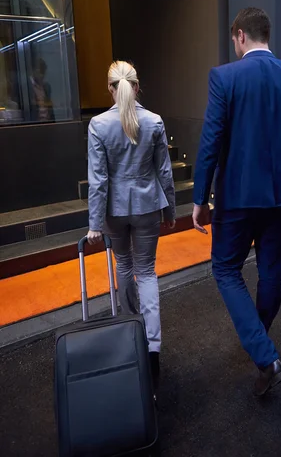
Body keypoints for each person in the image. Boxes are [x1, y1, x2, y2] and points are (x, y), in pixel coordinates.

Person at [192, 7, 281, 397]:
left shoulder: (224, 77)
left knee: (225, 270)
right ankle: (260, 338)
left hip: (236, 197)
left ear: (239, 35)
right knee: (271, 267)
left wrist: (199, 198)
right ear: (266, 35)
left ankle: (265, 354)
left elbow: (211, 142)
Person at [87, 60, 176, 391]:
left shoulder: (98, 125)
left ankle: (130, 329)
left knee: (123, 265)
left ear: (111, 88)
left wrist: (95, 223)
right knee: (148, 272)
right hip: (148, 205)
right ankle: (153, 348)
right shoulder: (153, 121)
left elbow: (98, 179)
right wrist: (171, 211)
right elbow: (164, 171)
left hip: (113, 210)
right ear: (137, 86)